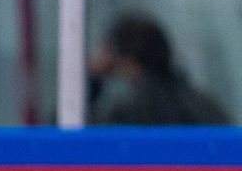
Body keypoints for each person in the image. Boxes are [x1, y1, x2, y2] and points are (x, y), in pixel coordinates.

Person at [91, 13, 232, 125]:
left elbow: (93, 143)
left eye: (105, 50)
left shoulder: (132, 112)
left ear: (124, 58)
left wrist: (92, 81)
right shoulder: (205, 105)